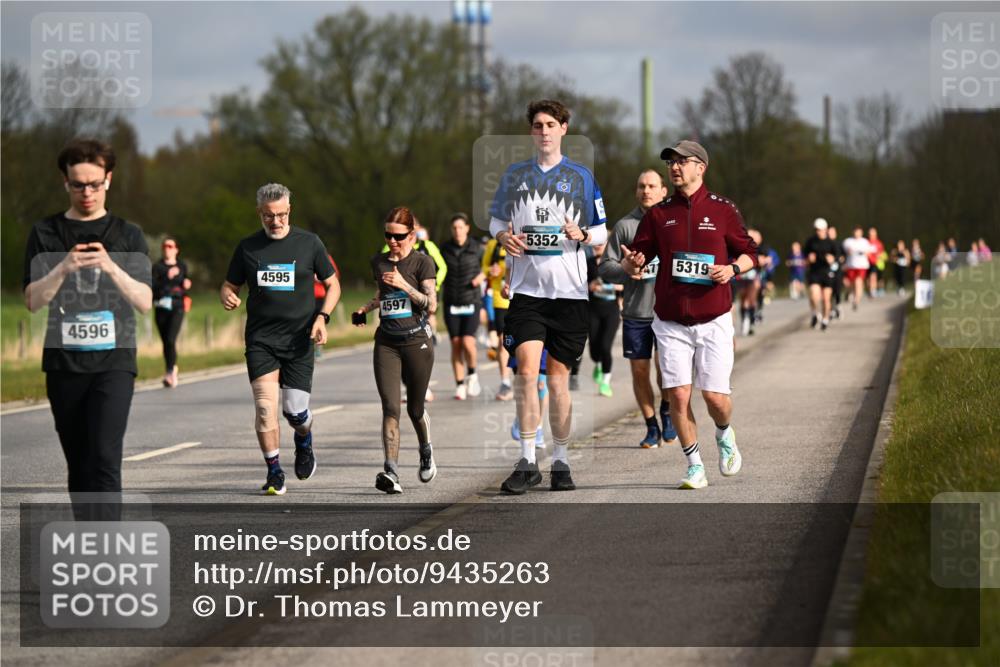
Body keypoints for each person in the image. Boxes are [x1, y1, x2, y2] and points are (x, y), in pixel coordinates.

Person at [23, 139, 152, 519]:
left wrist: (111, 266)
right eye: (78, 184)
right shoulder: (45, 233)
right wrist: (63, 267)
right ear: (65, 182)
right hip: (63, 364)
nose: (87, 192)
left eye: (94, 183)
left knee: (104, 457)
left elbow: (145, 301)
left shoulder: (128, 234)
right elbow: (32, 301)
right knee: (79, 464)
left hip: (114, 363)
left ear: (108, 180)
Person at [621, 140, 757, 490]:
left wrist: (732, 269)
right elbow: (637, 255)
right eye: (671, 163)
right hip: (670, 322)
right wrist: (631, 262)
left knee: (715, 398)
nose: (675, 167)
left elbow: (748, 252)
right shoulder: (658, 214)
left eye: (683, 162)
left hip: (713, 320)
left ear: (701, 167)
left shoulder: (723, 210)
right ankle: (694, 464)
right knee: (678, 395)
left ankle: (725, 434)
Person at [490, 99, 608, 494]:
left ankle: (560, 461)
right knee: (526, 375)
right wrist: (503, 236)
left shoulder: (581, 176)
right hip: (527, 293)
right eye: (537, 125)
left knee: (557, 383)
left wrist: (584, 235)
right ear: (531, 132)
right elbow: (495, 221)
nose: (543, 131)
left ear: (563, 129)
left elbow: (602, 232)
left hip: (570, 295)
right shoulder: (515, 175)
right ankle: (527, 460)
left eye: (550, 125)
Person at [221, 183, 339, 496]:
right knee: (264, 408)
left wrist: (322, 318)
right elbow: (228, 285)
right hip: (261, 340)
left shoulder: (309, 243)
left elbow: (333, 285)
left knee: (295, 412)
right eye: (270, 216)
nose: (277, 221)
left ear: (290, 211)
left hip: (299, 340)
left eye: (283, 214)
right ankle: (274, 471)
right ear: (260, 214)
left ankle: (304, 438)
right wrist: (228, 296)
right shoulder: (248, 247)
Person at [354, 207, 438, 494]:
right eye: (388, 235)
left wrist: (404, 284)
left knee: (415, 410)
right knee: (391, 407)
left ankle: (425, 449)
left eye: (398, 236)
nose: (392, 241)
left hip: (417, 342)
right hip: (387, 343)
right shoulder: (378, 262)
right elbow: (383, 294)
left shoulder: (422, 263)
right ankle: (391, 471)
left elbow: (431, 304)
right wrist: (366, 308)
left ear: (411, 235)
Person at [599, 169, 676, 448]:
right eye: (642, 186)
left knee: (665, 369)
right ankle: (651, 426)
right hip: (636, 313)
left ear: (663, 191)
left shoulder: (674, 222)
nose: (646, 191)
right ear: (636, 191)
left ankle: (667, 410)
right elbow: (605, 268)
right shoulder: (624, 227)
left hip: (668, 313)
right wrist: (625, 269)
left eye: (652, 186)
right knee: (640, 372)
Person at [440, 213, 485, 400]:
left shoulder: (477, 248)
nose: (457, 231)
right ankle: (459, 384)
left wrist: (482, 277)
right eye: (454, 228)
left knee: (468, 341)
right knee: (455, 344)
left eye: (460, 227)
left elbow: (488, 267)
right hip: (451, 301)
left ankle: (472, 374)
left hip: (471, 300)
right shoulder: (444, 248)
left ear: (467, 228)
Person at [152, 236, 191, 387]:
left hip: (177, 306)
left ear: (176, 249)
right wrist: (166, 277)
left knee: (170, 339)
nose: (167, 249)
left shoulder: (182, 266)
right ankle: (171, 367)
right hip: (161, 306)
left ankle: (170, 372)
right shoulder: (158, 267)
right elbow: (152, 286)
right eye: (165, 246)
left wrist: (186, 283)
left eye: (170, 246)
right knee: (165, 342)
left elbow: (185, 281)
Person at [586, 242, 621, 397]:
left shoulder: (616, 263)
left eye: (601, 243)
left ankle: (606, 382)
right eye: (596, 244)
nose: (598, 246)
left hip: (611, 311)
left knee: (606, 346)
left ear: (608, 245)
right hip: (593, 309)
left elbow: (626, 285)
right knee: (594, 349)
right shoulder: (588, 262)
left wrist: (613, 287)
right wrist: (590, 286)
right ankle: (598, 363)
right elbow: (581, 285)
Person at [482, 233, 514, 400]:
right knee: (503, 343)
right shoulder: (494, 245)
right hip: (500, 299)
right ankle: (505, 382)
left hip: (524, 299)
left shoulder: (528, 240)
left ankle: (529, 378)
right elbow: (484, 268)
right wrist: (491, 270)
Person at [805, 218, 838, 331]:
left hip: (827, 272)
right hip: (814, 272)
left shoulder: (831, 243)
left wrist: (832, 259)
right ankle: (815, 313)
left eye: (821, 230)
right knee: (814, 296)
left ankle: (825, 319)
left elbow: (838, 257)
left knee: (826, 298)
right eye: (817, 230)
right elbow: (804, 257)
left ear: (825, 230)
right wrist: (809, 259)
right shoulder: (810, 241)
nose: (819, 232)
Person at [842, 227, 872, 310]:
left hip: (861, 266)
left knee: (858, 282)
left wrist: (866, 253)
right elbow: (846, 251)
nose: (857, 234)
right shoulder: (848, 241)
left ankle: (856, 301)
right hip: (851, 266)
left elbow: (869, 253)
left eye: (859, 232)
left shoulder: (865, 242)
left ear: (861, 233)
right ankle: (849, 293)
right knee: (849, 284)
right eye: (855, 232)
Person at [867, 227, 885, 297]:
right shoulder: (866, 242)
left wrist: (878, 255)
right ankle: (869, 290)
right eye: (870, 234)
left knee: (873, 276)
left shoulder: (879, 243)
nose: (871, 235)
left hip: (875, 263)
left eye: (873, 233)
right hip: (866, 263)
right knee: (868, 278)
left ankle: (873, 290)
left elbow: (882, 253)